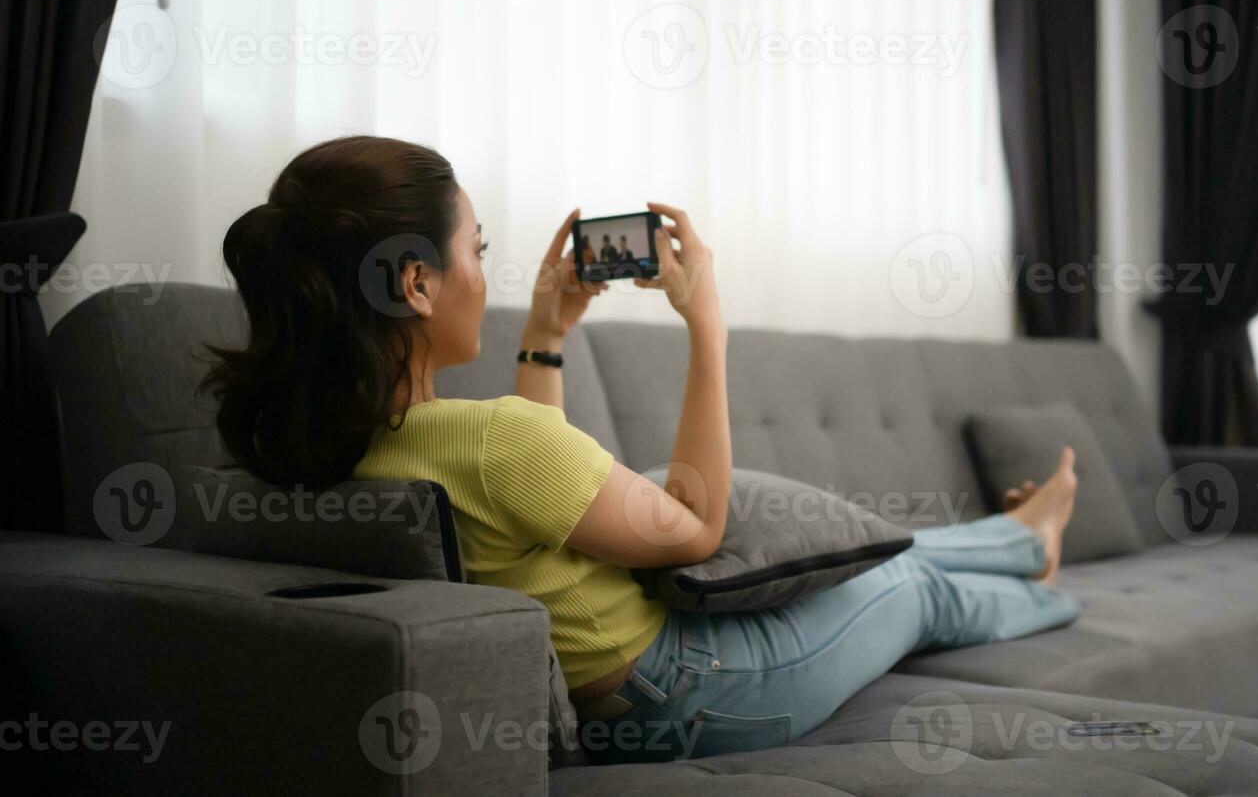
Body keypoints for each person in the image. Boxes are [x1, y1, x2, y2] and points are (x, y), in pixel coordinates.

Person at [203, 136, 1080, 764]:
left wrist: (546, 332)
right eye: (476, 248)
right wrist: (707, 328)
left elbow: (531, 503)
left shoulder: (342, 452)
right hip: (690, 693)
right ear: (415, 283)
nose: (484, 269)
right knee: (902, 579)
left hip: (620, 698)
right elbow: (697, 527)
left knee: (877, 553)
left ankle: (1015, 542)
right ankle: (1038, 570)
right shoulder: (492, 442)